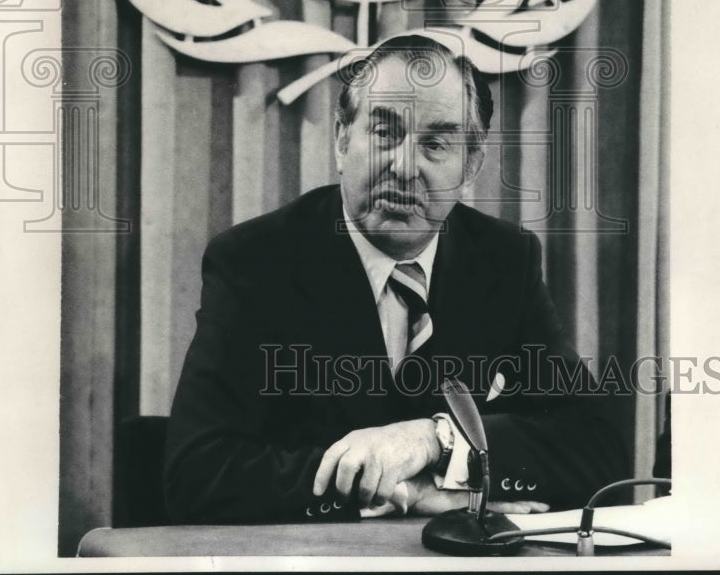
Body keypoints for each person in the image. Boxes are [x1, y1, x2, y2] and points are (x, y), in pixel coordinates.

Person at [164, 35, 628, 524]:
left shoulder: (503, 259)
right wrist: (402, 491)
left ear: (471, 165)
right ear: (342, 140)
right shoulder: (256, 262)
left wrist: (436, 440)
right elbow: (196, 474)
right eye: (385, 134)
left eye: (435, 144)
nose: (405, 168)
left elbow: (598, 450)